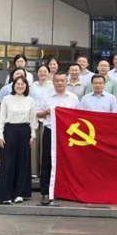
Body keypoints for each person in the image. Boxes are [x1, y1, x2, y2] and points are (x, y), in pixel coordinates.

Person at [36, 72, 80, 206]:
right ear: (53, 82)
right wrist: (46, 112)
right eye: (57, 81)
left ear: (66, 82)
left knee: (68, 161)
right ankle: (45, 192)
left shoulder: (73, 98)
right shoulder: (46, 97)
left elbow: (78, 115)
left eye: (62, 81)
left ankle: (67, 190)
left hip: (68, 133)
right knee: (47, 160)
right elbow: (38, 113)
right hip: (50, 131)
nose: (60, 83)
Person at [0, 76, 38, 204]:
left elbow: (33, 119)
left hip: (25, 132)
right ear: (14, 85)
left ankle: (20, 193)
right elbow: (2, 118)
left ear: (26, 86)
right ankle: (6, 195)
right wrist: (0, 135)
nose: (20, 86)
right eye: (18, 84)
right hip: (9, 131)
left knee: (23, 163)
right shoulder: (7, 99)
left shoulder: (30, 100)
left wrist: (33, 134)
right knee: (7, 163)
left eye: (23, 84)